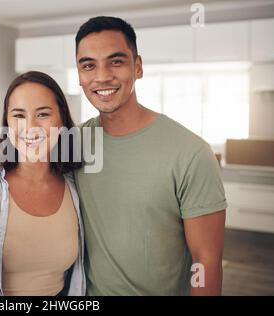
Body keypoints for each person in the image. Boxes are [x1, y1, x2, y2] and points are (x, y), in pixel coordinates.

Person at [73, 16, 227, 295]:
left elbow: (206, 261)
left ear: (138, 67)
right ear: (79, 75)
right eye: (88, 65)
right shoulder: (71, 145)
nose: (102, 76)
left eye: (116, 61)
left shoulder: (191, 153)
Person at [0, 71, 86, 296]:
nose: (30, 127)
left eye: (43, 114)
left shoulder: (76, 185)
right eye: (19, 115)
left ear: (61, 122)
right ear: (7, 124)